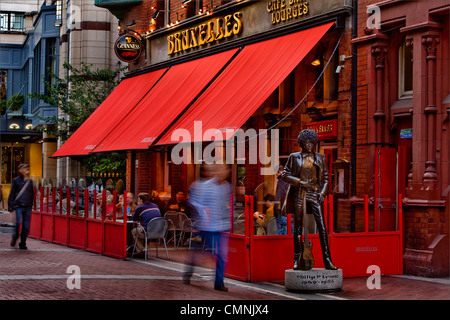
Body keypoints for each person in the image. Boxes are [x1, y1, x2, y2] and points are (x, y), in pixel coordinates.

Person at [281, 129, 338, 270]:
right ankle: (297, 258)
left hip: (315, 194)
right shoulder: (294, 157)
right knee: (298, 227)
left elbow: (326, 177)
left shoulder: (320, 158)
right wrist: (299, 182)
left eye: (311, 142)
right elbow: (285, 175)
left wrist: (323, 193)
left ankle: (327, 260)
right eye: (306, 142)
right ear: (301, 143)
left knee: (322, 227)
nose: (309, 145)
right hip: (299, 194)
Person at [183, 163, 231, 292]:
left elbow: (226, 206)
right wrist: (203, 210)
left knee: (221, 255)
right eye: (221, 169)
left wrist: (228, 222)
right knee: (197, 251)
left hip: (219, 227)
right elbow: (195, 202)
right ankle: (189, 271)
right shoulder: (204, 186)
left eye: (226, 169)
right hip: (205, 227)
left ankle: (219, 282)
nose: (224, 172)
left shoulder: (226, 187)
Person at [8, 163, 34, 250]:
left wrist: (32, 204)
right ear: (19, 170)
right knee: (18, 223)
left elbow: (31, 193)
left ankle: (23, 243)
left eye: (26, 168)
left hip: (27, 206)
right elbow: (12, 193)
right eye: (23, 168)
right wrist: (10, 206)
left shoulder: (30, 181)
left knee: (26, 226)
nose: (25, 170)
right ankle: (15, 238)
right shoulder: (16, 180)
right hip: (18, 205)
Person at [275, 165, 289, 235]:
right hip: (291, 212)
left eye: (276, 173)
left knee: (280, 232)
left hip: (283, 211)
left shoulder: (281, 182)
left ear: (280, 172)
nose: (276, 174)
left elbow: (278, 197)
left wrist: (276, 211)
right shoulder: (291, 181)